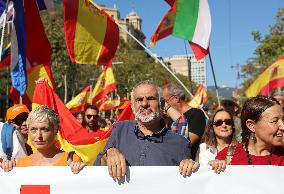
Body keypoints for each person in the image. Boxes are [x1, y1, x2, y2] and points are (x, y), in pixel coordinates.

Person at [95, 80, 199, 180]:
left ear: (162, 104)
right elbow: (96, 168)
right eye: (139, 99)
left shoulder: (180, 143)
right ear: (132, 107)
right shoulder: (120, 130)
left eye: (150, 98)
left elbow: (187, 183)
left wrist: (189, 166)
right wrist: (109, 153)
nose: (144, 104)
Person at [0, 106, 85, 174]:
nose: (39, 135)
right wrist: (7, 169)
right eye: (33, 129)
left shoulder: (72, 160)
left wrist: (79, 171)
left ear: (56, 130)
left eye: (45, 129)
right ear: (28, 131)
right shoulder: (21, 163)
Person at [210, 96, 284, 173]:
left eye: (283, 120)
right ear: (251, 125)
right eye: (274, 121)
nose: (282, 126)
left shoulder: (281, 155)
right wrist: (214, 167)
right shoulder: (227, 156)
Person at [164, 83, 206, 159]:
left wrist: (167, 107)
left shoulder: (196, 114)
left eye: (165, 101)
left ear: (176, 99)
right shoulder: (167, 118)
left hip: (186, 165)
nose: (164, 105)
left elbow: (186, 143)